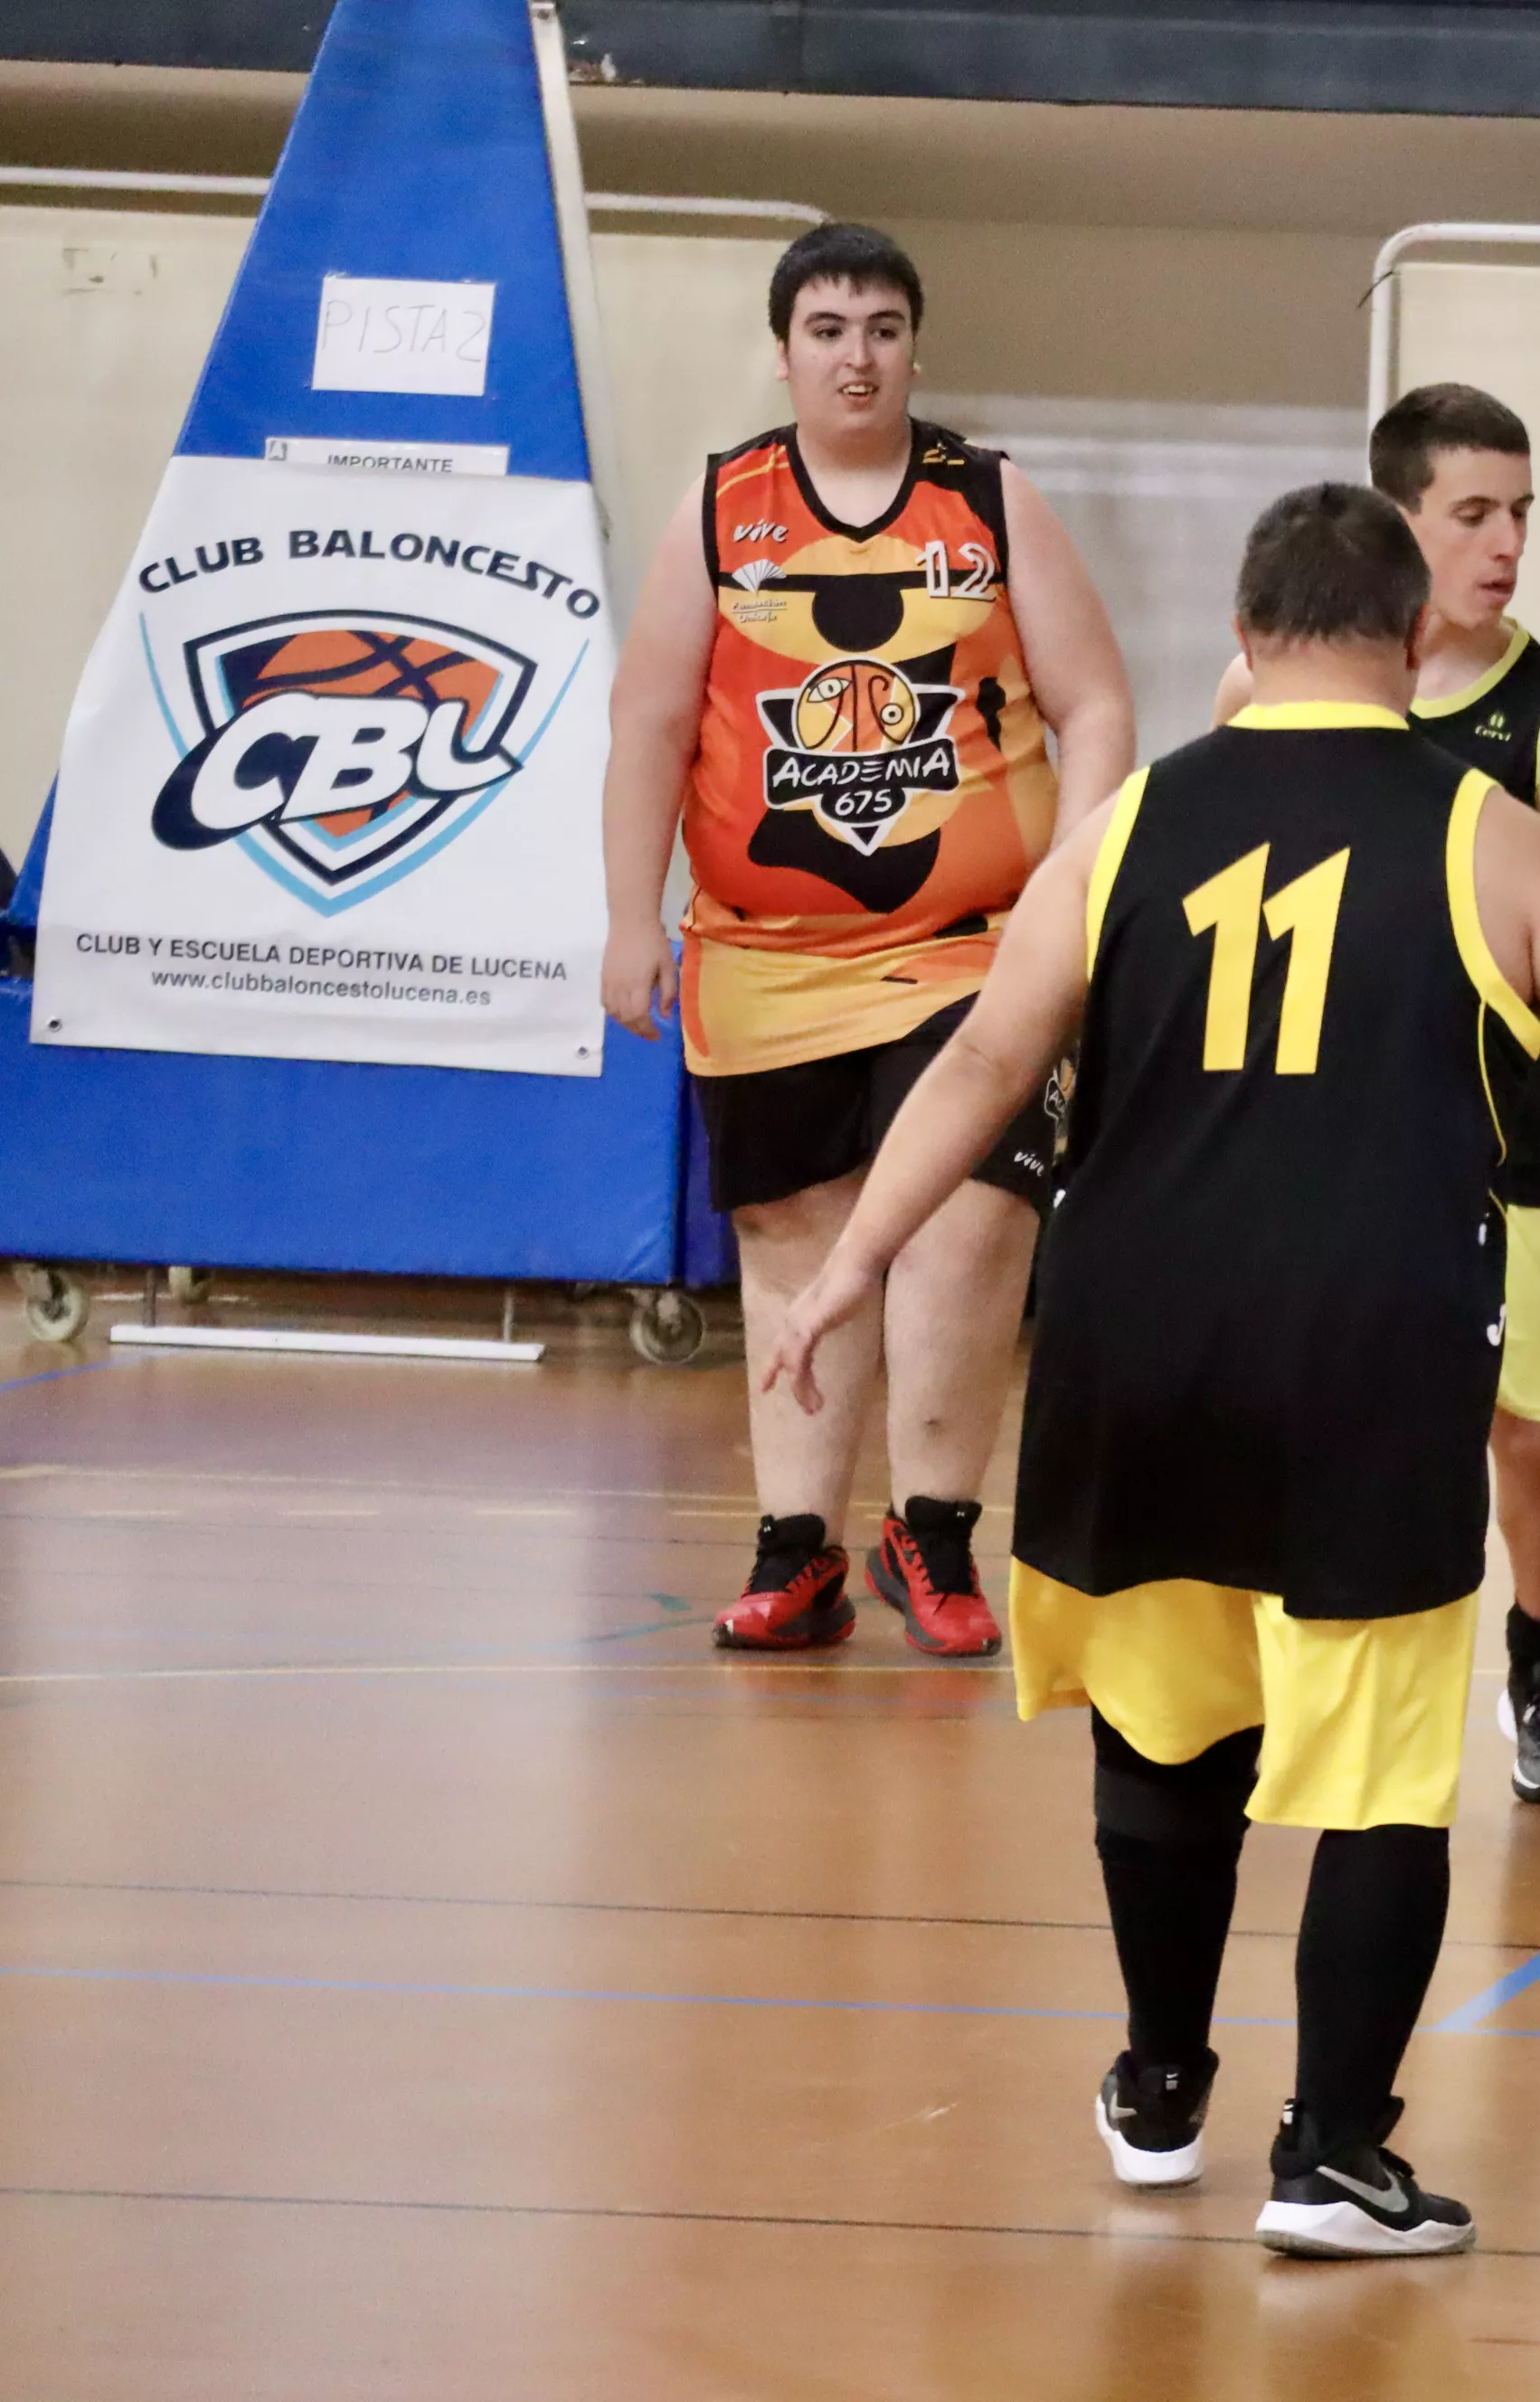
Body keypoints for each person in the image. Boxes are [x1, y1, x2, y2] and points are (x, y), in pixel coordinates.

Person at [760, 483, 1540, 2255]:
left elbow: (977, 1065)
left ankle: (1161, 2077)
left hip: (1137, 1343)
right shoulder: (1486, 832)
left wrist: (852, 1269)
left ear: (1244, 643)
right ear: (1414, 644)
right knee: (1379, 1764)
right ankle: (1334, 2147)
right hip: (1368, 1349)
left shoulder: (1130, 824)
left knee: (1164, 1718)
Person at [600, 223, 1134, 1658]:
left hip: (972, 953)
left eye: (884, 327)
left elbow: (1094, 709)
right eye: (828, 328)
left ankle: (937, 1533)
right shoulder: (722, 507)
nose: (857, 353)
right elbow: (650, 724)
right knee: (793, 1238)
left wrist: (1072, 899)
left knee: (967, 1227)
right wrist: (622, 919)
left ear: (915, 345)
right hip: (766, 956)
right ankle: (800, 1550)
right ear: (783, 350)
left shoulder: (988, 496)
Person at [1213, 383, 1540, 1808]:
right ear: (1396, 522)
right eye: (1475, 513)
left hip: (1494, 1142)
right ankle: (1285, 1676)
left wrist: (1500, 913)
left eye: (1522, 513)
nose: (1507, 544)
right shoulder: (1266, 690)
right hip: (1321, 1139)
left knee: (1529, 1431)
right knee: (1305, 1410)